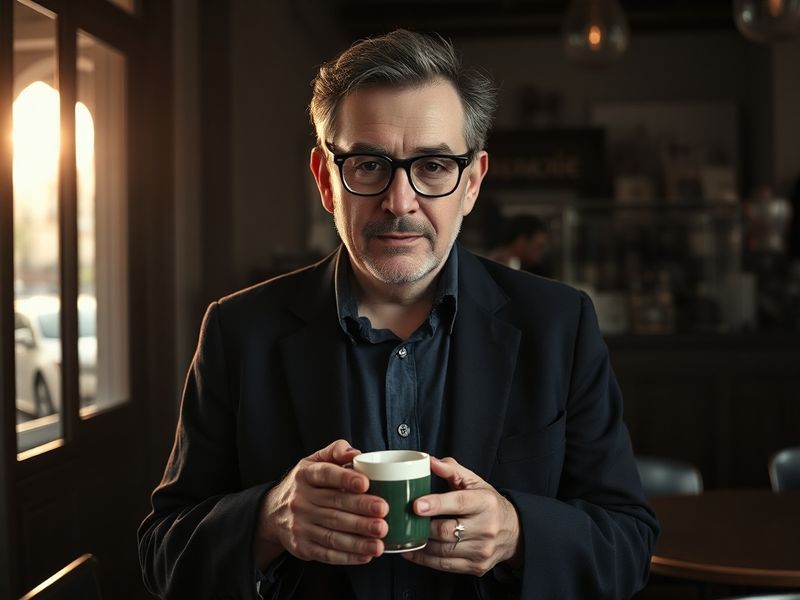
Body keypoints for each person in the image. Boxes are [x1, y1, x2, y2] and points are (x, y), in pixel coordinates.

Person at [138, 29, 658, 599]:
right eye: (368, 164)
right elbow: (165, 556)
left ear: (473, 181)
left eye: (433, 166)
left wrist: (515, 532)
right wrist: (268, 520)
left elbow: (628, 546)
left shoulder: (559, 325)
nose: (400, 201)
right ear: (325, 180)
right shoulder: (238, 332)